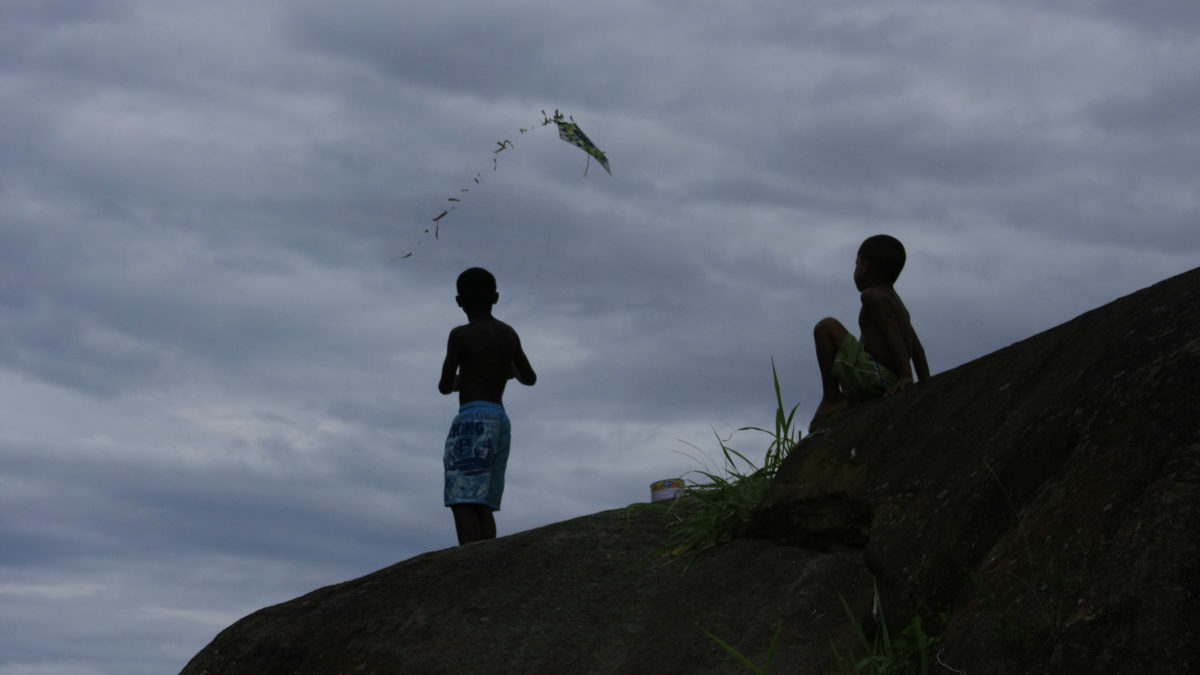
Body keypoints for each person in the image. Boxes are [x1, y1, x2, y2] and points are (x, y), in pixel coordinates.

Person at [438, 268, 537, 544]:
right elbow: (529, 378)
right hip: (499, 418)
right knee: (484, 500)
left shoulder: (460, 335)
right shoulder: (508, 333)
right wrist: (503, 371)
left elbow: (445, 385)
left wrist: (467, 377)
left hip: (472, 419)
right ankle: (488, 561)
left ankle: (469, 564)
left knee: (462, 497)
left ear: (459, 301)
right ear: (496, 297)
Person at [810, 235, 929, 429]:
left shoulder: (872, 297)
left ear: (865, 265)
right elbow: (917, 349)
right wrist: (927, 385)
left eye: (856, 263)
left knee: (826, 327)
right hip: (884, 378)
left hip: (878, 378)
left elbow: (893, 336)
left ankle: (832, 398)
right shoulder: (898, 304)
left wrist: (905, 375)